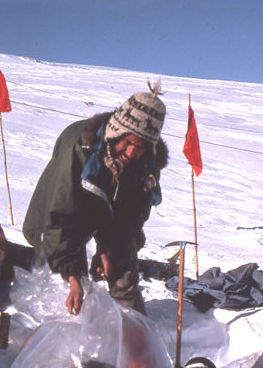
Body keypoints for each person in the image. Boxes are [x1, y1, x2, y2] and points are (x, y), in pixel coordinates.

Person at [22, 84, 168, 315]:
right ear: (116, 131)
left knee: (122, 267)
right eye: (128, 142)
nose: (131, 153)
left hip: (109, 210)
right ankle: (60, 326)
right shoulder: (79, 148)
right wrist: (73, 276)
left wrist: (108, 251)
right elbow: (61, 215)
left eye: (139, 148)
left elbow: (130, 219)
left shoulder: (146, 164)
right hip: (64, 209)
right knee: (57, 278)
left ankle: (131, 330)